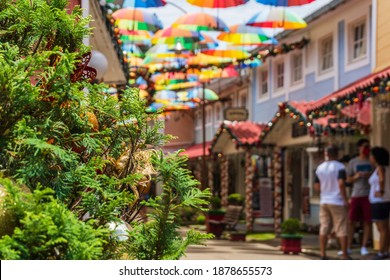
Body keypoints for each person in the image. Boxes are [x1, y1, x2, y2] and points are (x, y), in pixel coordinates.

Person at [315, 145, 350, 260]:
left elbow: (316, 186)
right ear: (337, 154)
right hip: (337, 201)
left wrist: (325, 191)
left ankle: (322, 253)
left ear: (327, 154)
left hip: (324, 200)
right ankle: (344, 254)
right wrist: (345, 200)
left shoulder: (319, 168)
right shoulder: (340, 167)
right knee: (341, 227)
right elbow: (341, 184)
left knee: (324, 227)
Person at [344, 139, 373, 256]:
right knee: (351, 221)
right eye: (364, 146)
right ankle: (349, 246)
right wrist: (356, 177)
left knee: (367, 221)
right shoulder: (353, 162)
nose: (366, 149)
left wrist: (369, 175)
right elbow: (347, 179)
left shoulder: (372, 161)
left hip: (368, 194)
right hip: (356, 194)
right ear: (359, 148)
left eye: (368, 146)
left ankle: (364, 246)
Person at [368, 147, 390, 259]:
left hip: (379, 202)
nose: (370, 158)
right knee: (385, 228)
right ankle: (385, 250)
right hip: (384, 201)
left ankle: (381, 252)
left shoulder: (380, 168)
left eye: (371, 156)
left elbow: (381, 179)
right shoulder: (386, 168)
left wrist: (381, 191)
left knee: (381, 228)